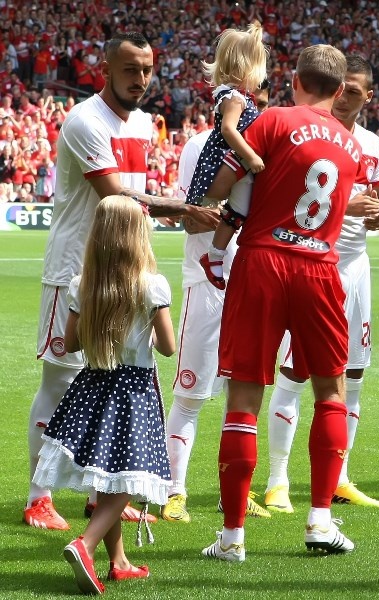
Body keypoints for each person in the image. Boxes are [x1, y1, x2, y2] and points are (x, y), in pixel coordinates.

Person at [26, 31, 218, 531]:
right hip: (76, 271)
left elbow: (136, 202)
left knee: (110, 382)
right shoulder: (85, 120)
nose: (141, 78)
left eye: (147, 69)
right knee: (60, 379)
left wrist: (176, 214)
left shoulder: (141, 123)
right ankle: (38, 496)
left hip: (127, 272)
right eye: (131, 69)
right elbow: (114, 194)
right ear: (106, 70)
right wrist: (183, 209)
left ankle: (100, 495)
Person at [199, 45, 367, 562]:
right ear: (340, 91)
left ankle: (232, 538)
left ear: (295, 80)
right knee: (331, 391)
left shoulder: (272, 120)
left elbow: (221, 186)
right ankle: (320, 521)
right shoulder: (351, 146)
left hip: (262, 262)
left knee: (244, 398)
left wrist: (216, 203)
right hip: (320, 268)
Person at [263, 54, 379, 514]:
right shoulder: (307, 131)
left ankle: (339, 478)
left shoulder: (372, 145)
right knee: (296, 372)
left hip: (356, 266)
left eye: (354, 91)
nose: (344, 98)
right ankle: (277, 479)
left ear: (366, 96)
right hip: (313, 263)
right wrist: (349, 206)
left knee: (352, 375)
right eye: (341, 89)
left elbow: (375, 202)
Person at [32, 196, 175, 595]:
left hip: (93, 385)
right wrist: (145, 333)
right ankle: (87, 543)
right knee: (128, 475)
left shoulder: (83, 284)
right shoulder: (151, 284)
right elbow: (168, 347)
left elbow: (70, 344)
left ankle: (120, 561)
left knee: (110, 474)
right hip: (133, 391)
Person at [161, 83, 272, 524]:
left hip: (250, 280)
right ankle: (174, 490)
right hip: (206, 283)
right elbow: (189, 216)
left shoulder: (262, 143)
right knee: (191, 393)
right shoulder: (198, 146)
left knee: (239, 394)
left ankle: (234, 495)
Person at [186, 22, 268, 289]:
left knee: (238, 211)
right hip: (229, 158)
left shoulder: (240, 96)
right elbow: (228, 130)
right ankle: (214, 255)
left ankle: (215, 255)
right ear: (247, 67)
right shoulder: (234, 98)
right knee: (230, 208)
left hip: (236, 162)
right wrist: (251, 156)